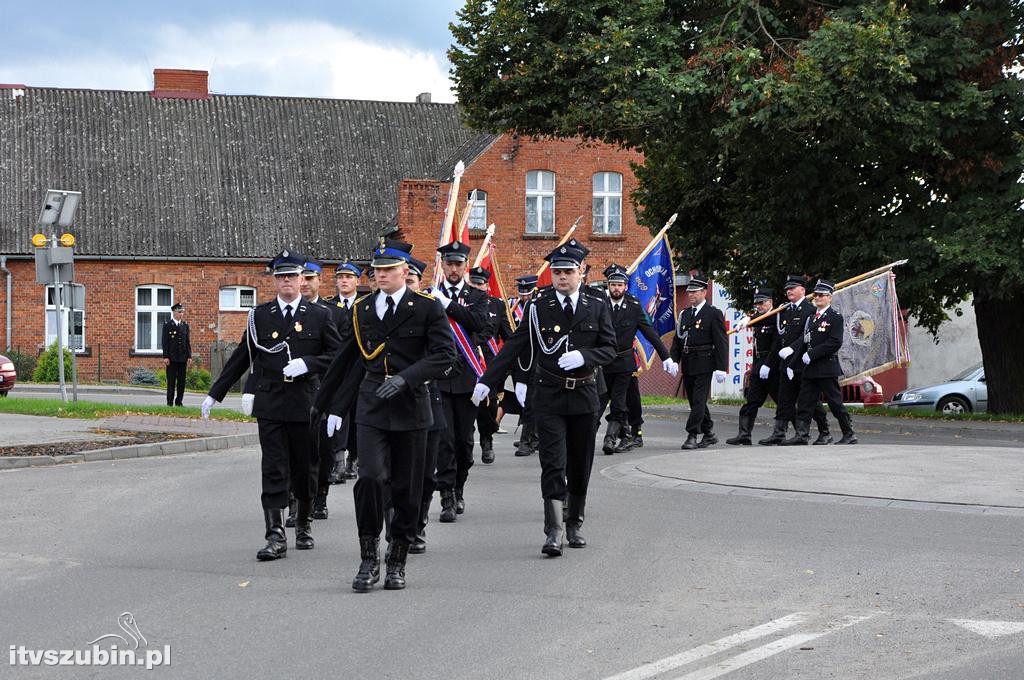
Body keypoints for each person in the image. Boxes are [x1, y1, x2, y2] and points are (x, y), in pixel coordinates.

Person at [318, 239, 455, 591]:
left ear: (404, 272)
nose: (380, 276)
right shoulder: (363, 310)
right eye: (376, 271)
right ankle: (368, 555)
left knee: (407, 487)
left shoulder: (426, 308)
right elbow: (346, 360)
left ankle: (397, 558)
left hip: (411, 406)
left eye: (388, 270)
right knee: (371, 478)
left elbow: (444, 355)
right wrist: (326, 405)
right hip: (372, 403)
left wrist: (408, 379)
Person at [472, 243, 616, 556]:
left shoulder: (596, 304)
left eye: (568, 272)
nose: (562, 277)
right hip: (549, 396)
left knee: (580, 464)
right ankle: (553, 530)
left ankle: (574, 521)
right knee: (552, 464)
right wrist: (487, 379)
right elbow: (514, 345)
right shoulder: (539, 306)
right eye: (557, 272)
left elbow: (609, 347)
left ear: (580, 272)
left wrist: (584, 356)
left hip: (584, 394)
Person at [202, 250, 341, 561]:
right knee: (273, 467)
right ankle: (275, 535)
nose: (286, 282)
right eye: (281, 277)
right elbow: (242, 357)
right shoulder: (260, 315)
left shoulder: (320, 315)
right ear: (275, 281)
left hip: (307, 403)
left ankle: (303, 522)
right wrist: (216, 393)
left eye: (291, 276)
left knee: (305, 469)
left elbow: (337, 356)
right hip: (272, 404)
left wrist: (308, 363)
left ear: (302, 278)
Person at [431, 241, 491, 522]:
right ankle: (446, 496)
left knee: (465, 444)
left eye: (458, 264)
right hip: (439, 380)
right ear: (442, 265)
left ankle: (459, 486)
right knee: (444, 440)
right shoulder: (431, 296)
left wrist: (450, 306)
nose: (453, 269)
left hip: (467, 378)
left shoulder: (477, 297)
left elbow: (479, 324)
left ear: (465, 266)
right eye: (449, 264)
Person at [598, 263, 676, 454]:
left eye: (620, 285)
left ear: (626, 287)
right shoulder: (599, 305)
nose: (616, 288)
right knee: (596, 403)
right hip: (602, 364)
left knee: (619, 402)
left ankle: (610, 438)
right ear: (608, 286)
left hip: (624, 364)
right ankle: (586, 437)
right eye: (613, 284)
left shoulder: (633, 306)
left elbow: (649, 332)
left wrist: (666, 357)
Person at [404, 257, 448, 553]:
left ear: (420, 284)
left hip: (427, 401)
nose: (406, 286)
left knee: (425, 474)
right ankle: (398, 524)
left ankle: (417, 523)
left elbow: (445, 356)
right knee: (391, 473)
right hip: (389, 406)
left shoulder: (430, 313)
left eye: (410, 281)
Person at [782, 280, 858, 446]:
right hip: (810, 369)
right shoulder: (811, 318)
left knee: (835, 403)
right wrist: (791, 364)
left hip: (826, 368)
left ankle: (849, 433)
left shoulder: (834, 317)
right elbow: (804, 342)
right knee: (804, 402)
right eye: (816, 295)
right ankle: (803, 435)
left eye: (822, 295)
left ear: (830, 297)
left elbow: (835, 342)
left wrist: (813, 353)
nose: (817, 298)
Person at [300, 258, 347, 520]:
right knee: (297, 448)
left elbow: (339, 353)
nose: (305, 283)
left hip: (325, 387)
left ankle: (321, 495)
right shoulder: (287, 311)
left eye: (310, 278)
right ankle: (297, 499)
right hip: (296, 391)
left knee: (323, 448)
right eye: (302, 278)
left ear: (319, 280)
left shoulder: (334, 312)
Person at [758, 275, 832, 446]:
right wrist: (749, 320)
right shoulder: (785, 310)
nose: (789, 291)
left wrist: (792, 348)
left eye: (793, 288)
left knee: (809, 400)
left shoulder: (810, 310)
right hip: (786, 363)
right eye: (787, 289)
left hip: (802, 362)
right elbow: (775, 331)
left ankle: (824, 431)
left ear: (803, 290)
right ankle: (779, 433)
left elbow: (808, 335)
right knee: (784, 399)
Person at [669, 271, 728, 450]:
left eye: (695, 291)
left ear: (704, 292)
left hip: (705, 362)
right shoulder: (685, 314)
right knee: (694, 401)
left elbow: (721, 342)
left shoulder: (713, 314)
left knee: (699, 400)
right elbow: (678, 340)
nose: (691, 295)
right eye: (689, 292)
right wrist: (673, 359)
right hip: (688, 362)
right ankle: (709, 433)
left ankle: (692, 434)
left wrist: (721, 367)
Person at [467, 265, 514, 465]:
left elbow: (507, 335)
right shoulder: (461, 302)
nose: (476, 287)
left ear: (487, 285)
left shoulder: (497, 305)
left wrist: (512, 360)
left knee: (490, 404)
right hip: (466, 360)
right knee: (466, 405)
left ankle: (487, 441)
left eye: (480, 284)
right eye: (473, 283)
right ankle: (466, 446)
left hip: (489, 363)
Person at [323, 259, 363, 484]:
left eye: (349, 277)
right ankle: (339, 459)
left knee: (358, 416)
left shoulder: (367, 304)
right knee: (339, 414)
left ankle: (354, 459)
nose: (344, 281)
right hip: (338, 370)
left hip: (361, 370)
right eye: (340, 277)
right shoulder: (328, 306)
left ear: (358, 280)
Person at [727, 288, 780, 445]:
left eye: (761, 303)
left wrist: (768, 364)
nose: (758, 306)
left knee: (783, 403)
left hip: (773, 366)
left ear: (770, 302)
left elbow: (776, 345)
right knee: (751, 401)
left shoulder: (777, 315)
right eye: (756, 303)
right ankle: (744, 434)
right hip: (759, 365)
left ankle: (797, 433)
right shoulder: (758, 319)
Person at [509, 275, 539, 456]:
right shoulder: (512, 307)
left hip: (536, 360)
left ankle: (527, 441)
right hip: (518, 360)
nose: (524, 298)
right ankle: (533, 437)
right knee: (525, 401)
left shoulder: (539, 307)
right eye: (522, 294)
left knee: (532, 402)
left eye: (528, 294)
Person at [161, 302, 192, 407]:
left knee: (181, 382)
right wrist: (165, 356)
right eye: (179, 312)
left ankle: (179, 402)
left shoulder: (185, 326)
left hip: (182, 358)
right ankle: (169, 402)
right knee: (171, 382)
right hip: (172, 358)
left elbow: (187, 342)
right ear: (174, 312)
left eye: (182, 312)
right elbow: (165, 342)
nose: (181, 314)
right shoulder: (168, 325)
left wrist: (189, 356)